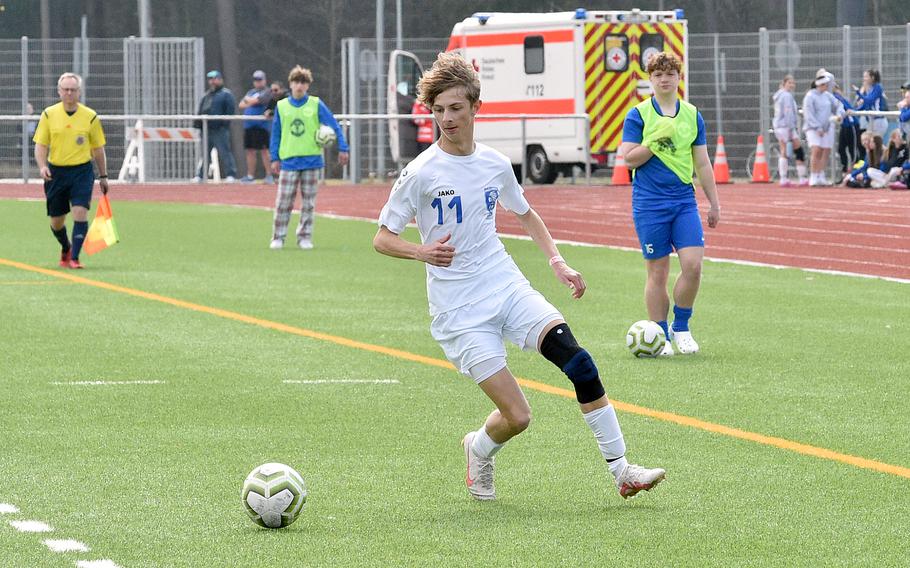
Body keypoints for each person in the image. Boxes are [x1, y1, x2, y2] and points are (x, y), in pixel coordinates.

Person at [373, 52, 666, 501]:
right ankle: (479, 448)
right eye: (438, 110)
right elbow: (382, 238)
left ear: (475, 108)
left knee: (580, 363)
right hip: (458, 310)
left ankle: (623, 471)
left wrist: (558, 262)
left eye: (455, 108)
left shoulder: (494, 163)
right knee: (518, 417)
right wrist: (421, 251)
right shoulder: (420, 172)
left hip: (504, 285)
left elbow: (527, 216)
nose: (446, 118)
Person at [619, 52, 720, 357]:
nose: (664, 80)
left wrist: (713, 202)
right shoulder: (638, 115)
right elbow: (628, 157)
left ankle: (682, 327)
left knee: (693, 265)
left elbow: (702, 163)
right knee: (658, 272)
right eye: (658, 75)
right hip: (649, 202)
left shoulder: (692, 115)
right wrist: (653, 143)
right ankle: (660, 334)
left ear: (679, 77)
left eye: (670, 74)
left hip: (683, 200)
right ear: (650, 80)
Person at [33, 72, 109, 269]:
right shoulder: (49, 114)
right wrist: (42, 166)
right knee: (56, 222)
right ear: (59, 92)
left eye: (73, 90)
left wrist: (104, 176)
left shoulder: (90, 117)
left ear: (79, 92)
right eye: (65, 90)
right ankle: (66, 247)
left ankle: (75, 257)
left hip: (81, 171)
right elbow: (41, 145)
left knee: (80, 211)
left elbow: (98, 148)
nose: (69, 93)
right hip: (56, 172)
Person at [268, 65, 349, 250]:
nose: (299, 85)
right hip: (289, 161)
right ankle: (278, 237)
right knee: (283, 201)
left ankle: (304, 236)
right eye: (296, 81)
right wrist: (274, 158)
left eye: (303, 82)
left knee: (309, 203)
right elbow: (276, 134)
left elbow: (334, 126)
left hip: (312, 160)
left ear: (307, 85)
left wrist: (343, 147)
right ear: (290, 84)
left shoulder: (315, 104)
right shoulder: (282, 106)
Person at [193, 70, 237, 182]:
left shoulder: (226, 94)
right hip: (207, 130)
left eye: (214, 79)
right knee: (205, 154)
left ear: (220, 79)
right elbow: (201, 110)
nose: (212, 81)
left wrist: (223, 124)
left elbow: (230, 111)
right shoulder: (206, 95)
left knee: (225, 152)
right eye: (210, 79)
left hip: (220, 130)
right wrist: (198, 124)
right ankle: (201, 175)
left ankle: (230, 174)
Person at [802, 73, 843, 186]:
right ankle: (813, 175)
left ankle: (821, 174)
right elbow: (809, 114)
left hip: (827, 128)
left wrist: (839, 114)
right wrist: (817, 127)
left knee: (825, 151)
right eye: (825, 84)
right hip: (813, 129)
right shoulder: (810, 96)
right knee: (816, 150)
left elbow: (838, 105)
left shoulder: (827, 96)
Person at [771, 74, 808, 186]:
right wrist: (790, 127)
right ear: (784, 83)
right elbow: (787, 113)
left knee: (792, 150)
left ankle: (793, 178)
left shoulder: (781, 96)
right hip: (785, 127)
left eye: (793, 83)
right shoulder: (785, 96)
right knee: (790, 151)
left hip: (782, 126)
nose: (792, 85)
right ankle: (789, 178)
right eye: (789, 83)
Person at [239, 70, 274, 184]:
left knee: (264, 150)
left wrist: (251, 101)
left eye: (260, 80)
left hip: (262, 126)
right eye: (256, 80)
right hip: (249, 125)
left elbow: (260, 100)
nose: (258, 82)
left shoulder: (268, 91)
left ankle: (269, 175)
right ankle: (250, 176)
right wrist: (252, 101)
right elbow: (241, 104)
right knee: (250, 151)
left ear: (264, 80)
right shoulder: (251, 91)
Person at [832, 81, 861, 176]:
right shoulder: (833, 98)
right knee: (841, 148)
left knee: (853, 149)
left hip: (851, 125)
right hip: (844, 126)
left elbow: (849, 110)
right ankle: (845, 170)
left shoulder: (840, 98)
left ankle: (856, 172)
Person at [853, 69, 889, 138]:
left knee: (875, 144)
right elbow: (866, 105)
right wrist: (854, 110)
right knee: (869, 144)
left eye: (866, 77)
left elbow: (869, 100)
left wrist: (858, 92)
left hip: (879, 120)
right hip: (872, 120)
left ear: (872, 78)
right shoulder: (871, 88)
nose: (864, 79)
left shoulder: (878, 87)